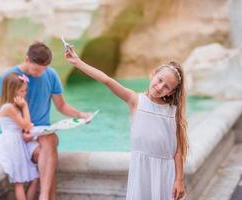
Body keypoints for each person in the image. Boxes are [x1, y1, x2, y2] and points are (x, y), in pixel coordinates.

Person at [65, 48, 188, 200]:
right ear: (153, 74)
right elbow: (107, 80)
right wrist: (78, 62)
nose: (160, 87)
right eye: (160, 80)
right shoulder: (135, 100)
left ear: (170, 93)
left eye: (166, 87)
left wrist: (179, 179)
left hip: (165, 172)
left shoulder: (173, 112)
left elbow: (178, 150)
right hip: (141, 169)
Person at [0, 42, 89, 200]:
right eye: (36, 69)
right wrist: (24, 131)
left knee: (49, 138)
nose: (40, 73)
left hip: (41, 134)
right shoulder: (8, 77)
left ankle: (44, 196)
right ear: (27, 59)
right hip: (20, 136)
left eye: (44, 69)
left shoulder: (51, 75)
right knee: (49, 157)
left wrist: (81, 115)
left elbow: (61, 105)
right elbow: (2, 111)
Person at [0, 72, 39, 200]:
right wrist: (25, 107)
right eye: (22, 91)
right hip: (11, 144)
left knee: (34, 178)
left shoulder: (13, 107)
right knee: (18, 182)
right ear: (12, 91)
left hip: (18, 142)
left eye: (25, 90)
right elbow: (26, 125)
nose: (24, 94)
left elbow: (23, 126)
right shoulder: (9, 108)